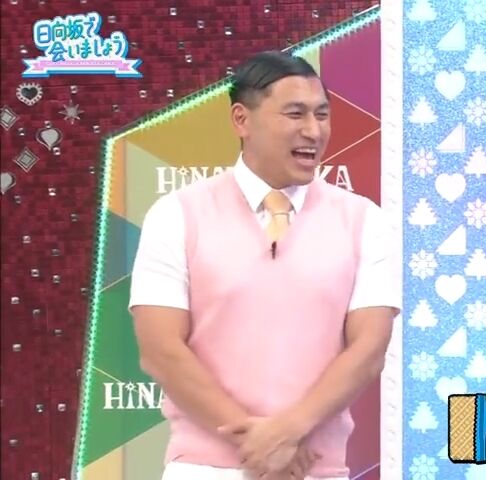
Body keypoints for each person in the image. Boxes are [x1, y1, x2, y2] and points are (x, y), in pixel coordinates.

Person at [129, 50, 400, 480]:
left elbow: (369, 349)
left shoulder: (365, 221)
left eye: (322, 115)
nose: (313, 131)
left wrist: (289, 430)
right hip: (204, 469)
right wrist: (259, 442)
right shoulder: (177, 214)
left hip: (315, 470)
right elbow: (161, 350)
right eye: (295, 114)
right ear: (242, 120)